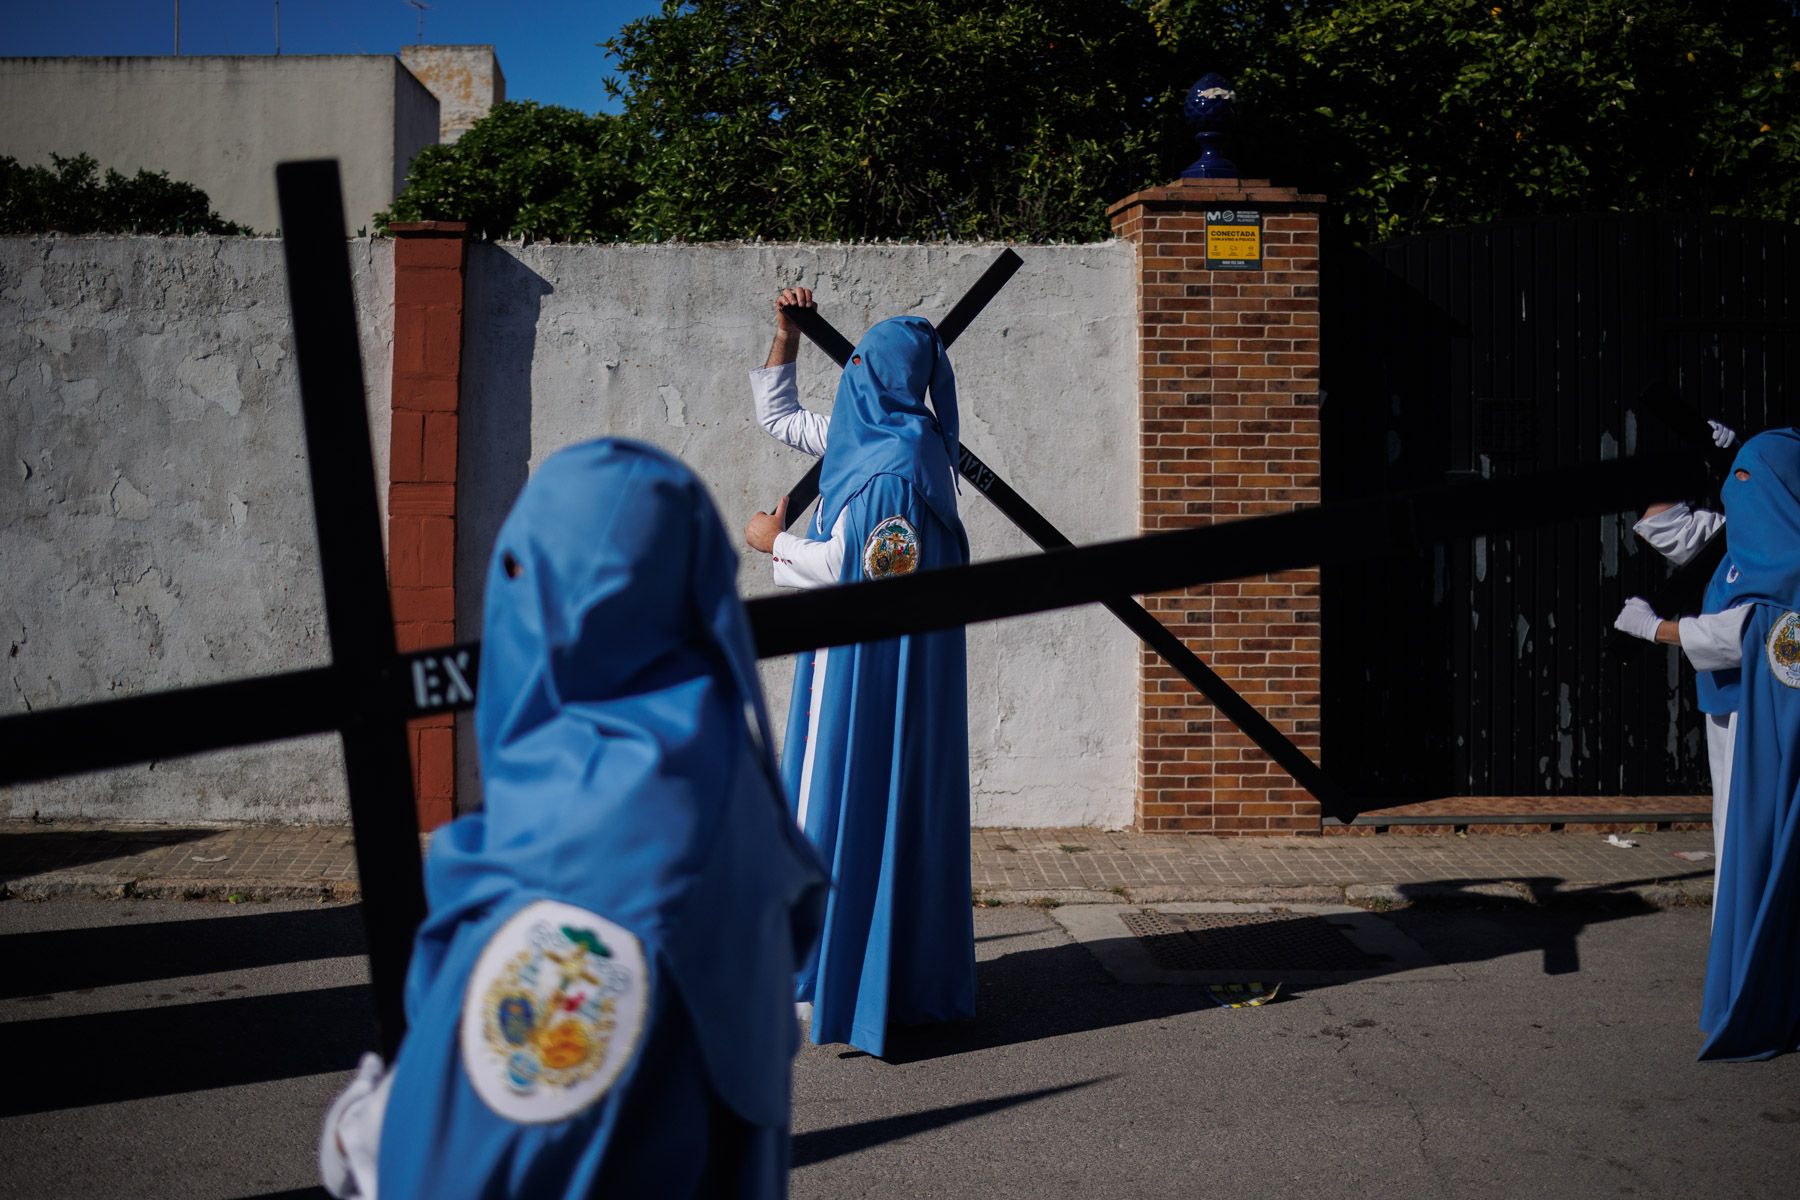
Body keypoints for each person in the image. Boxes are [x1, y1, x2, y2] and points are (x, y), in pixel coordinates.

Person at [318, 439, 827, 1198]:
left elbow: (454, 1175)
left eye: (517, 574)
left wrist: (368, 1134)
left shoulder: (577, 926)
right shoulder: (716, 792)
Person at [743, 288, 975, 1057]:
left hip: (868, 672)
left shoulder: (900, 464)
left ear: (876, 376)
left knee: (840, 800)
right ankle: (837, 965)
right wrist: (786, 335)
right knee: (838, 807)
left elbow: (856, 569)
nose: (847, 377)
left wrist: (772, 543)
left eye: (857, 366)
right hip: (855, 659)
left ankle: (852, 974)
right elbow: (778, 419)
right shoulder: (876, 438)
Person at [1696, 427, 1800, 1061]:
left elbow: (1736, 635)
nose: (1737, 490)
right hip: (1730, 712)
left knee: (1746, 844)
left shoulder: (1781, 559)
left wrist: (1657, 629)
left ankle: (1742, 987)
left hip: (1759, 728)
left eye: (1748, 478)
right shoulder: (1753, 547)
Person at [1616, 419, 1744, 864]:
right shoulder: (1733, 538)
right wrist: (1707, 458)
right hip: (1724, 702)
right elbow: (1665, 523)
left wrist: (1657, 629)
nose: (1742, 485)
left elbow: (1745, 634)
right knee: (1732, 836)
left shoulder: (1787, 551)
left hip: (1769, 710)